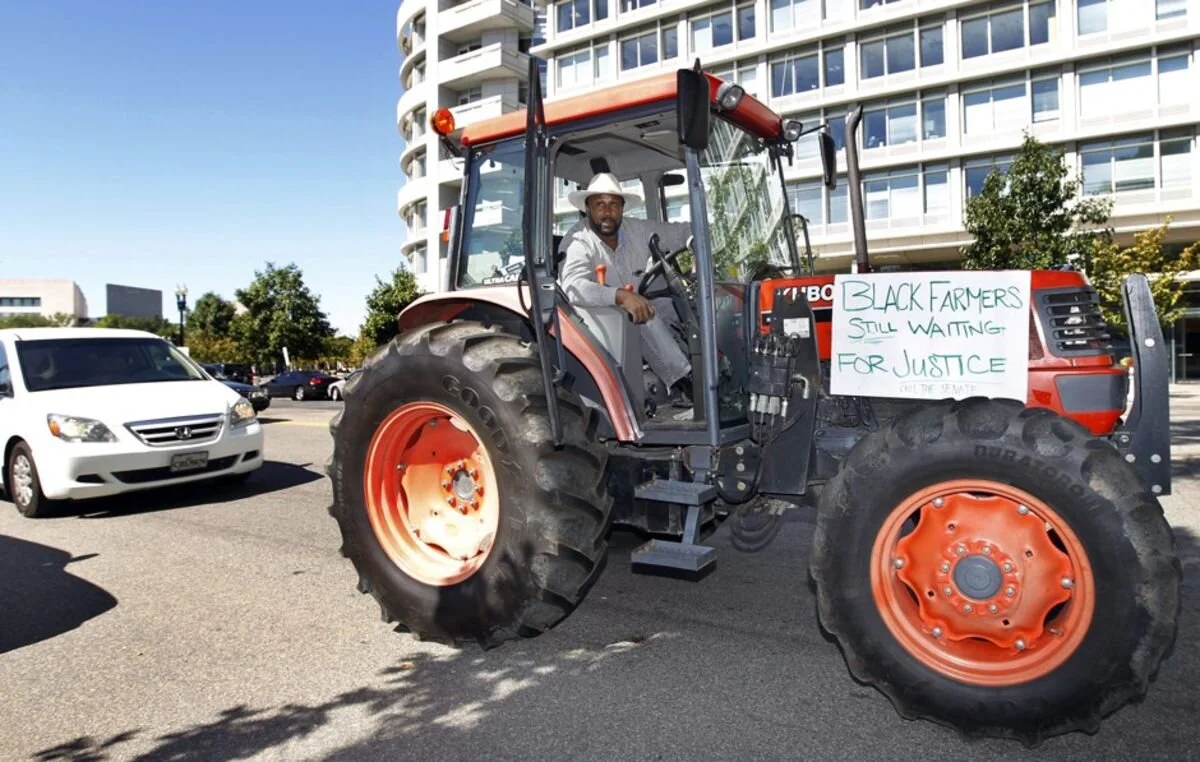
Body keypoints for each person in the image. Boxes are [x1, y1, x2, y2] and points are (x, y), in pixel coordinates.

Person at [557, 172, 693, 402]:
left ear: (622, 208)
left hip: (631, 307)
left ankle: (708, 369)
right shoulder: (578, 240)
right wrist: (620, 296)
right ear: (588, 208)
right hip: (596, 322)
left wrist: (696, 248)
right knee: (643, 315)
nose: (607, 211)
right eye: (599, 204)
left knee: (675, 306)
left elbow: (683, 232)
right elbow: (573, 286)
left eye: (613, 204)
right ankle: (687, 386)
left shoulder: (636, 229)